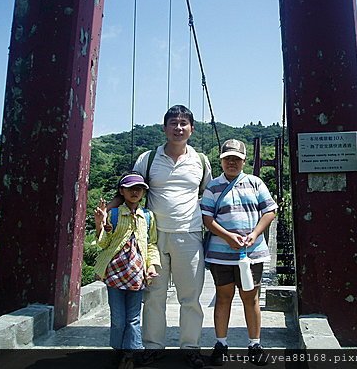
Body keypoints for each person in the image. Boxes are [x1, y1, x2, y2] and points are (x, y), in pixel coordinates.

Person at [108, 105, 212, 368]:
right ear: (164, 128)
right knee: (154, 295)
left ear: (192, 128)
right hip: (151, 237)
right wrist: (108, 213)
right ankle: (153, 346)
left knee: (190, 297)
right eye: (173, 123)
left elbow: (209, 195)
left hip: (189, 234)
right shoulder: (148, 159)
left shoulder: (200, 161)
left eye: (183, 123)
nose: (178, 128)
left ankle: (191, 347)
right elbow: (130, 190)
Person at [200, 139, 277, 366]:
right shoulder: (212, 187)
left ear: (244, 161)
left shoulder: (255, 183)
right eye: (227, 159)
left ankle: (255, 345)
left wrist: (254, 234)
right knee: (223, 298)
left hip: (252, 254)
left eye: (236, 158)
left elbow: (269, 211)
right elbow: (207, 218)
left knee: (250, 298)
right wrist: (227, 236)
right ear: (221, 161)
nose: (231, 162)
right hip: (220, 255)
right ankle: (221, 344)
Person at [94, 172, 161, 368]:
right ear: (121, 191)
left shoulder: (148, 217)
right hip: (115, 274)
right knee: (118, 318)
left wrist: (152, 266)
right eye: (130, 188)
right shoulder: (113, 214)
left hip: (137, 275)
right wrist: (100, 224)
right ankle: (119, 349)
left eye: (139, 188)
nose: (135, 192)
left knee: (133, 318)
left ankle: (130, 353)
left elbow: (152, 244)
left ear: (144, 193)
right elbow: (103, 244)